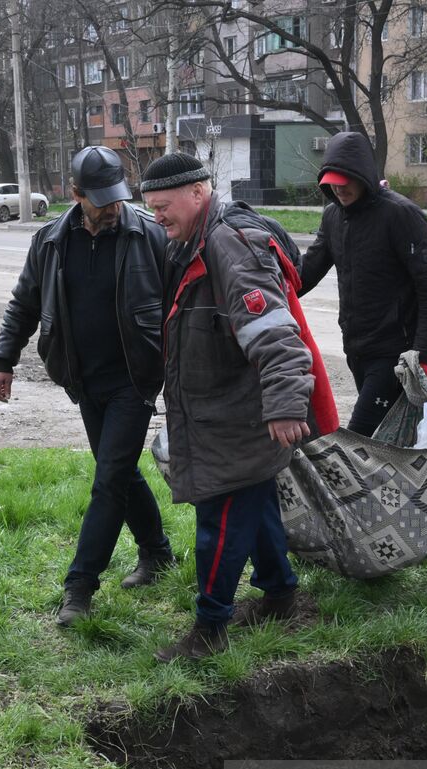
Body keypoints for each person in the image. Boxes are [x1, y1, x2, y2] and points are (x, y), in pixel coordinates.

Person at [140, 153, 316, 662]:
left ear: (198, 192)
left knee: (219, 519)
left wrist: (285, 405)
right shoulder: (196, 238)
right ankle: (281, 594)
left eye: (164, 206)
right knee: (254, 504)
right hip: (221, 408)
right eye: (150, 208)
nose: (158, 217)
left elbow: (277, 335)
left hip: (240, 415)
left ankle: (209, 628)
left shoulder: (229, 244)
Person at [0, 146, 175, 626]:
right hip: (82, 378)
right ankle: (157, 552)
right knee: (116, 470)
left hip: (134, 377)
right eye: (101, 199)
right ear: (74, 194)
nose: (112, 207)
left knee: (109, 479)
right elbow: (24, 303)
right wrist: (3, 359)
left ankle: (80, 587)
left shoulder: (148, 234)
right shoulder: (50, 240)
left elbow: (179, 302)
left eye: (117, 196)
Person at [299, 131, 427, 437]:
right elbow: (306, 272)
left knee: (357, 440)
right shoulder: (332, 218)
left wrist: (422, 357)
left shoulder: (401, 214)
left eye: (344, 182)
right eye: (331, 184)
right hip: (356, 348)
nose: (338, 191)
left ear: (363, 175)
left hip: (396, 354)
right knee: (385, 440)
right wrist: (264, 284)